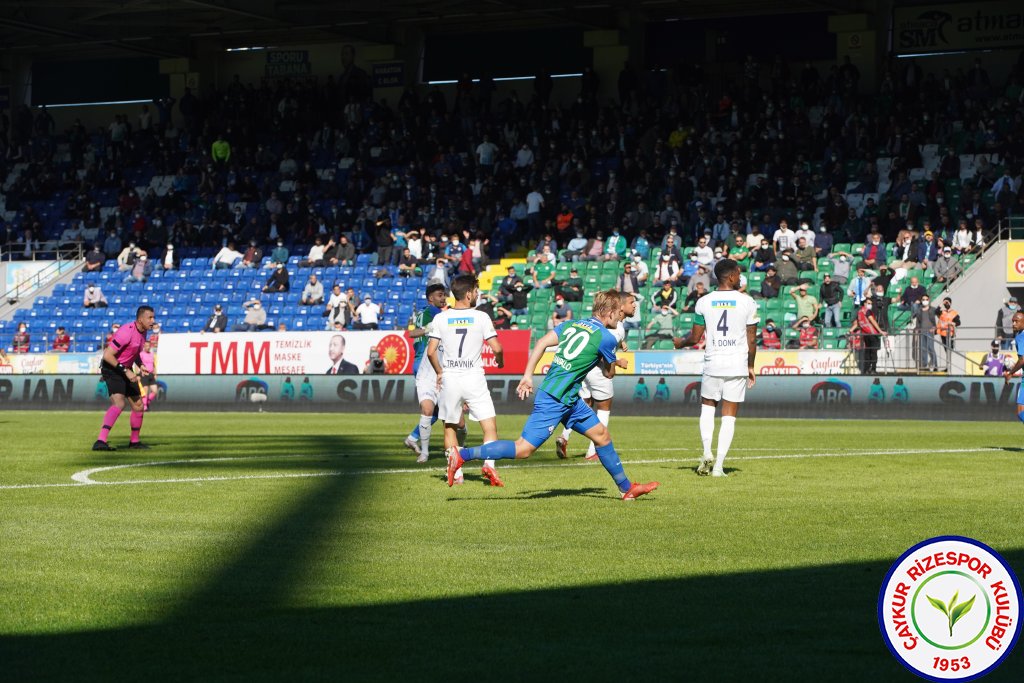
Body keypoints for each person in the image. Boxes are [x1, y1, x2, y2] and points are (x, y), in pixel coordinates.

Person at [446, 289, 660, 500]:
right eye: (619, 313)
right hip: (555, 399)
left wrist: (528, 376)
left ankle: (626, 488)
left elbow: (541, 343)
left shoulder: (572, 324)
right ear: (611, 313)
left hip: (569, 398)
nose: (620, 317)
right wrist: (613, 361)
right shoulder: (607, 337)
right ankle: (461, 455)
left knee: (602, 436)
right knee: (523, 449)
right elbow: (608, 374)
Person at [674, 259, 758, 477]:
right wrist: (751, 365)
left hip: (713, 363)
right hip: (737, 364)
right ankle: (719, 466)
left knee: (708, 408)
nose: (740, 277)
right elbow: (752, 340)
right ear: (730, 277)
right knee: (729, 416)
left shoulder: (703, 301)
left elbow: (694, 337)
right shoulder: (747, 302)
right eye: (738, 273)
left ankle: (706, 452)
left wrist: (680, 343)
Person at [426, 274, 505, 487]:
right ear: (469, 294)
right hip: (474, 377)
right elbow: (497, 348)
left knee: (450, 427)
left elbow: (431, 352)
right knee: (489, 426)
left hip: (450, 377)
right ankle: (489, 465)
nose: (478, 295)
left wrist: (440, 372)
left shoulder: (441, 318)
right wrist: (500, 361)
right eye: (477, 291)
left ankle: (457, 473)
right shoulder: (481, 317)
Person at [556, 292, 634, 460]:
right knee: (604, 407)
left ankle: (564, 436)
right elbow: (603, 351)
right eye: (631, 302)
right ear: (620, 307)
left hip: (584, 370)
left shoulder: (610, 325)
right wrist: (618, 361)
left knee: (584, 404)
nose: (634, 305)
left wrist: (622, 343)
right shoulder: (617, 328)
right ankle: (593, 450)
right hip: (598, 371)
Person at [93, 306, 157, 451]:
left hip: (126, 369)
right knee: (119, 403)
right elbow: (107, 355)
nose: (153, 321)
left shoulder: (143, 332)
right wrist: (126, 371)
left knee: (139, 405)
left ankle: (134, 442)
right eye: (150, 318)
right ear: (140, 319)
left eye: (153, 317)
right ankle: (100, 441)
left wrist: (140, 365)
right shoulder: (126, 332)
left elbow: (134, 352)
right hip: (112, 368)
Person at [403, 283, 451, 462]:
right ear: (430, 298)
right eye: (440, 295)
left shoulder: (424, 313)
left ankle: (413, 438)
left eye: (444, 295)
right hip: (428, 364)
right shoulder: (433, 312)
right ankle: (451, 446)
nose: (443, 298)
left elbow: (412, 333)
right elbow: (413, 333)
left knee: (436, 411)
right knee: (436, 409)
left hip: (425, 363)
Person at [1001, 311, 1024, 424]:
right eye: (1013, 321)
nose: (1014, 323)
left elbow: (1022, 360)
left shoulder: (1021, 337)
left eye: (1017, 321)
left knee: (1021, 412)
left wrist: (1010, 373)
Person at [854, 300, 883, 374]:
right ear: (865, 303)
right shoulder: (867, 311)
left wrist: (850, 330)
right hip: (872, 334)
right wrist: (880, 331)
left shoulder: (860, 312)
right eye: (869, 303)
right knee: (873, 352)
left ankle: (866, 369)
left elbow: (857, 323)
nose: (870, 305)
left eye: (871, 303)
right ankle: (873, 369)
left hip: (865, 334)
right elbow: (872, 321)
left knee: (867, 352)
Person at [912, 296, 938, 371]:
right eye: (923, 299)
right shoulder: (919, 310)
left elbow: (940, 317)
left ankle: (935, 365)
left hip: (930, 331)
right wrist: (917, 329)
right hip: (921, 331)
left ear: (929, 300)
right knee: (923, 348)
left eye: (926, 299)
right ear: (921, 300)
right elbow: (918, 321)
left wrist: (934, 327)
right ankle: (924, 366)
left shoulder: (933, 309)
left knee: (930, 348)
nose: (925, 301)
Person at [936, 297, 961, 368]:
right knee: (946, 351)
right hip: (943, 334)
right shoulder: (942, 312)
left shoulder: (954, 313)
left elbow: (958, 322)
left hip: (950, 334)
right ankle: (948, 367)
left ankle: (952, 367)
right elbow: (936, 311)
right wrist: (941, 303)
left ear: (950, 303)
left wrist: (953, 323)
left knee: (950, 351)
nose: (946, 304)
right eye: (945, 302)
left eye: (947, 302)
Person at [139, 341, 158, 410]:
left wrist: (155, 373)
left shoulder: (152, 354)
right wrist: (138, 374)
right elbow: (138, 365)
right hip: (144, 374)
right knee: (145, 391)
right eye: (146, 346)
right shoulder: (141, 354)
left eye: (149, 346)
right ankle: (144, 407)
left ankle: (147, 401)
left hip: (151, 374)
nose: (148, 347)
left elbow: (153, 365)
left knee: (155, 391)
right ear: (144, 346)